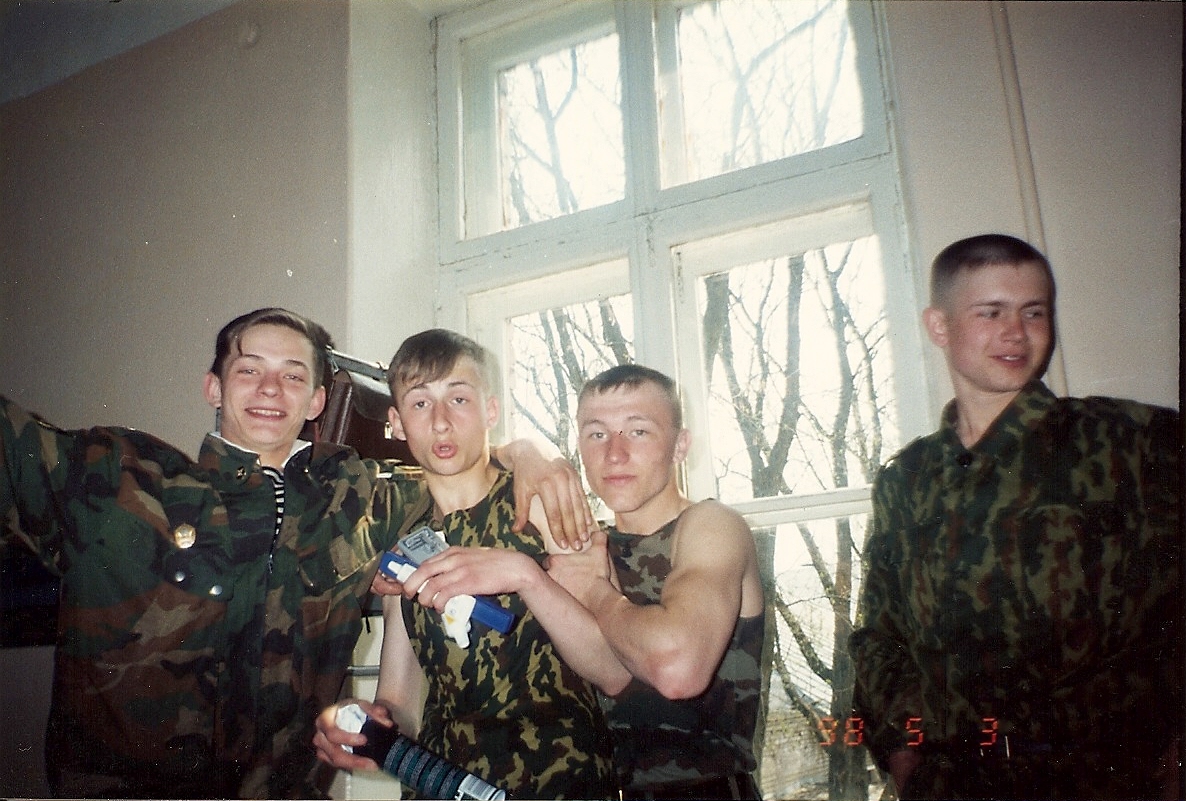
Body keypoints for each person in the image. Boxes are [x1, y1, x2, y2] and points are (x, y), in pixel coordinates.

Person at [0, 307, 593, 799]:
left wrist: (529, 452)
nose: (269, 389)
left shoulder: (360, 500)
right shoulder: (116, 480)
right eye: (249, 369)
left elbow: (456, 463)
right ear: (212, 387)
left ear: (315, 401)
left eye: (292, 375)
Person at [849, 234, 1182, 800]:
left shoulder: (1130, 443)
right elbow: (880, 638)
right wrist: (905, 758)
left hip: (1105, 781)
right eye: (991, 312)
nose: (1016, 333)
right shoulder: (906, 479)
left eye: (1034, 312)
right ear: (939, 326)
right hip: (953, 782)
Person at [313, 328, 616, 799]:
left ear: (491, 410)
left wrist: (527, 575)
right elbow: (400, 701)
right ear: (397, 422)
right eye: (420, 403)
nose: (440, 423)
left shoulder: (539, 504)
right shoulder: (405, 539)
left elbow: (613, 671)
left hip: (558, 779)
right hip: (444, 786)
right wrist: (366, 727)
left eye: (458, 399)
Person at [546, 364, 767, 800]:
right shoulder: (587, 548)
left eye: (638, 431)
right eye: (596, 434)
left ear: (680, 445)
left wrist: (595, 592)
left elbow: (677, 670)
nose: (614, 453)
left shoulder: (710, 526)